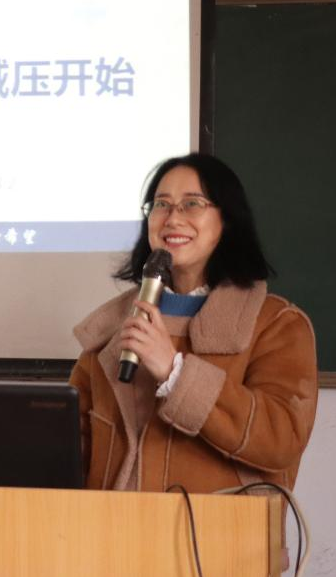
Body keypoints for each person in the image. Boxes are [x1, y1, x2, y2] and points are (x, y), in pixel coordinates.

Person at [69, 153, 317, 493]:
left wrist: (175, 372)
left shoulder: (276, 324)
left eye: (192, 204)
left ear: (227, 220)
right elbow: (70, 451)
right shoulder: (111, 329)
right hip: (112, 525)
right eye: (161, 204)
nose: (173, 218)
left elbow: (281, 439)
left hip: (220, 526)